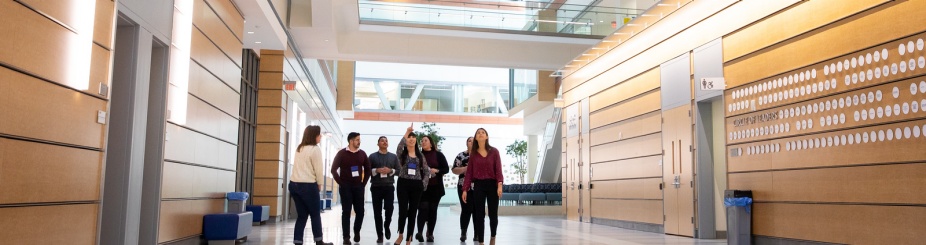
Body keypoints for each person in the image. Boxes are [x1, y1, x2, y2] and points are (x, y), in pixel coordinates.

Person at [289, 125, 334, 245]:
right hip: (308, 185)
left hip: (294, 184)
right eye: (319, 135)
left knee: (302, 215)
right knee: (315, 214)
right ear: (314, 136)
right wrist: (319, 184)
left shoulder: (300, 148)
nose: (320, 137)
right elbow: (318, 169)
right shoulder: (315, 149)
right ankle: (319, 241)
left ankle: (297, 241)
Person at [462, 128, 504, 245]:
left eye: (483, 132)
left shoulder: (494, 152)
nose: (480, 134)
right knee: (479, 214)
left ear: (486, 137)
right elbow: (469, 172)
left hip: (492, 185)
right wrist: (465, 189)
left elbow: (498, 170)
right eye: (478, 133)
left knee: (493, 213)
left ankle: (493, 236)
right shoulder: (474, 154)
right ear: (475, 137)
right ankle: (481, 241)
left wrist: (499, 185)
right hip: (479, 185)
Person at [330, 132, 372, 244]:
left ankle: (357, 231)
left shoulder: (362, 154)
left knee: (360, 212)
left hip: (358, 186)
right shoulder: (341, 153)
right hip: (346, 187)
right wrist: (341, 183)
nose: (359, 141)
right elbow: (333, 170)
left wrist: (363, 183)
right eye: (357, 139)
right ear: (351, 141)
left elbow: (368, 169)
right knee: (346, 212)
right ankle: (346, 237)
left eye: (359, 139)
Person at [394, 124, 432, 245]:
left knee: (413, 212)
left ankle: (409, 238)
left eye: (413, 137)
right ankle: (400, 234)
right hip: (403, 183)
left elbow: (427, 171)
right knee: (403, 210)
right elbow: (399, 147)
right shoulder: (402, 153)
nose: (411, 139)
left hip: (416, 185)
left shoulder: (420, 156)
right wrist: (407, 132)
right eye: (409, 137)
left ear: (416, 140)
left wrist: (424, 184)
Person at [414, 135, 449, 242]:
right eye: (422, 141)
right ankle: (419, 232)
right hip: (422, 188)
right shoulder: (418, 155)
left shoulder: (438, 155)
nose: (423, 142)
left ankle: (430, 233)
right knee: (423, 208)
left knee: (433, 210)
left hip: (435, 187)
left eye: (425, 140)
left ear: (431, 143)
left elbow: (446, 169)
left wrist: (436, 171)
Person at [368, 136, 400, 243]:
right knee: (377, 212)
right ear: (378, 144)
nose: (385, 142)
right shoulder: (372, 156)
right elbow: (368, 171)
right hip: (376, 187)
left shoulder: (393, 157)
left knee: (389, 209)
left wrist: (390, 170)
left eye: (386, 141)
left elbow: (399, 171)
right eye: (382, 140)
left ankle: (387, 225)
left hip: (389, 187)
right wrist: (376, 170)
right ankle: (380, 235)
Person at [452, 137, 476, 242]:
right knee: (466, 209)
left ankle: (477, 233)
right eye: (470, 140)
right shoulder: (461, 155)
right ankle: (463, 232)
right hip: (463, 186)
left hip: (479, 186)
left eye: (473, 140)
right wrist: (465, 169)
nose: (472, 142)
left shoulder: (481, 155)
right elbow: (454, 169)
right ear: (467, 143)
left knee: (477, 210)